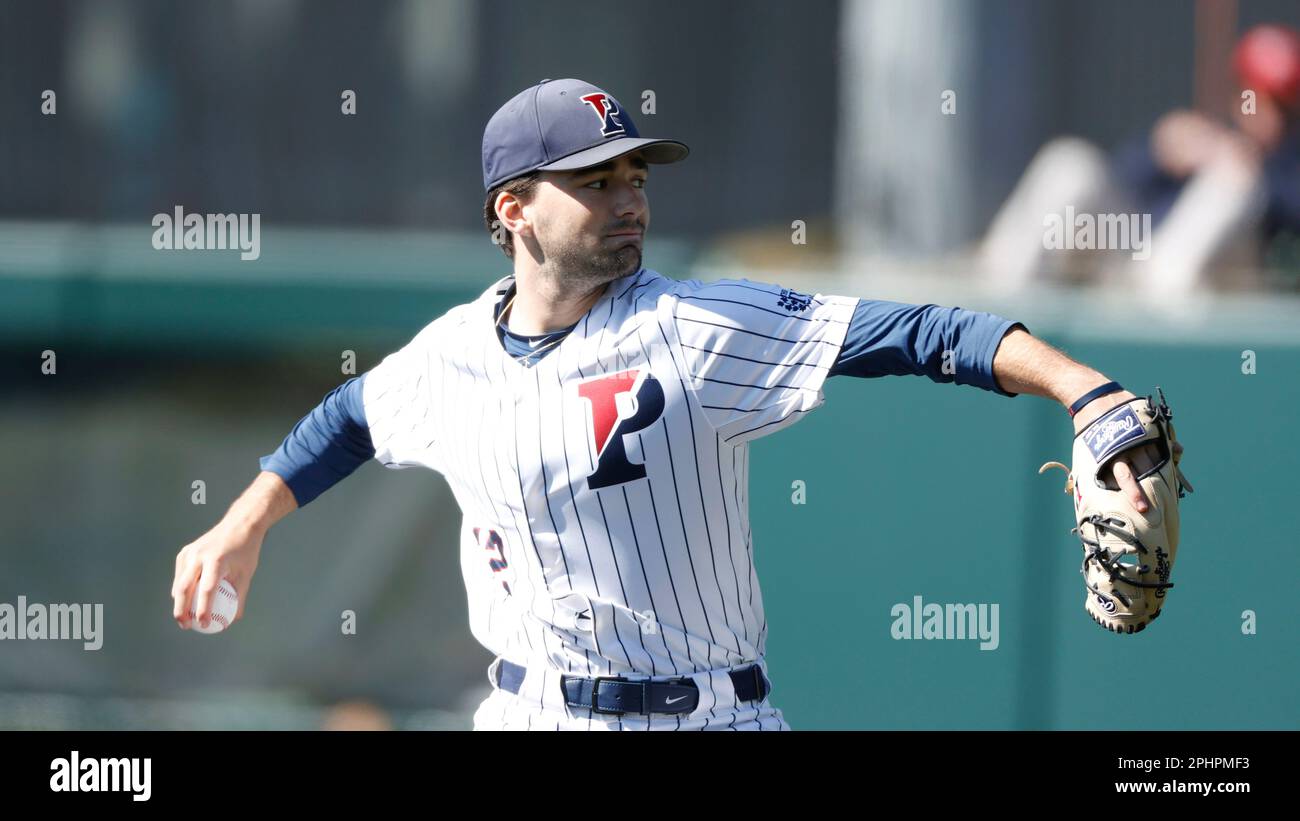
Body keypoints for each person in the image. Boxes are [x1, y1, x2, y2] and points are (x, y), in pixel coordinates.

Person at [172, 78, 1178, 730]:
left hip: (703, 717)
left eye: (632, 174)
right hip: (527, 713)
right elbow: (348, 417)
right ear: (511, 209)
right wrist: (241, 520)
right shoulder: (448, 357)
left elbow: (919, 333)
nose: (629, 196)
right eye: (594, 179)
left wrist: (1081, 388)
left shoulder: (694, 326)